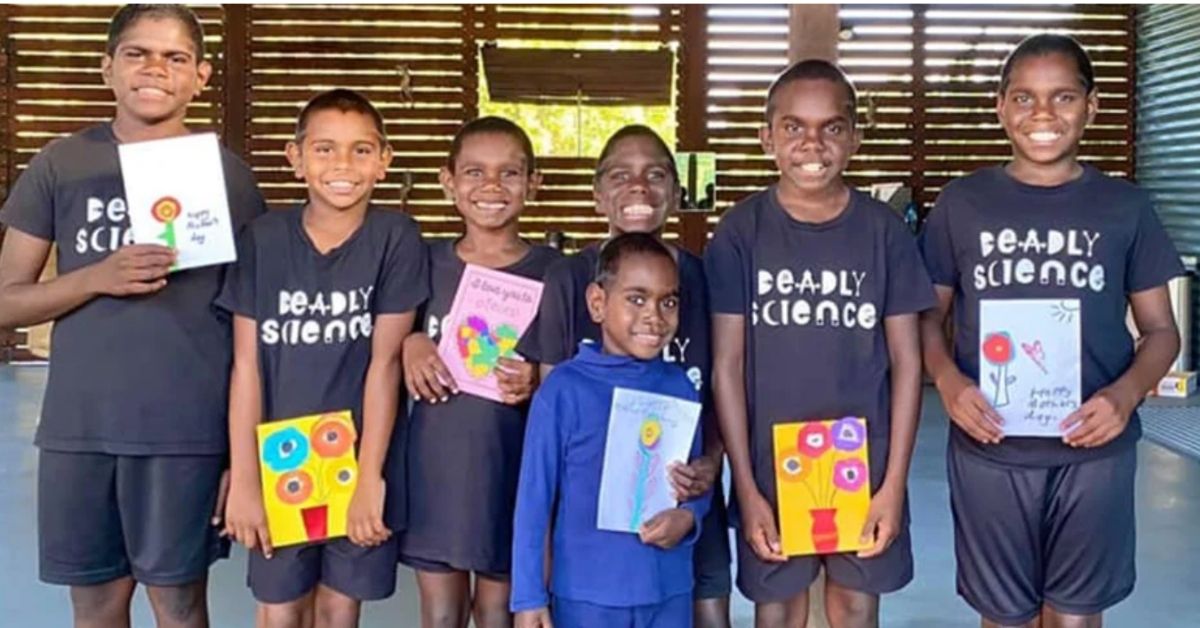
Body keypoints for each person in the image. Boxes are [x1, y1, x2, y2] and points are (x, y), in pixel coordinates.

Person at [0, 5, 265, 626]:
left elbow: (254, 326)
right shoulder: (61, 163)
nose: (155, 69)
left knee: (178, 601)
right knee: (94, 603)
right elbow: (6, 298)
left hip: (185, 433)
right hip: (80, 429)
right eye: (137, 53)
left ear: (201, 75)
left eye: (175, 58)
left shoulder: (228, 178)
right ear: (108, 68)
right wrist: (97, 276)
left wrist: (239, 453)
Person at [918, 34, 1184, 628]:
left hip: (1094, 454)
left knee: (1074, 616)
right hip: (991, 450)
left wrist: (1124, 394)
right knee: (1005, 615)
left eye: (1063, 97)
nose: (1043, 114)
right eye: (1024, 97)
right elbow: (925, 320)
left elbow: (1162, 331)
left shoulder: (1125, 206)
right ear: (1000, 106)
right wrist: (949, 381)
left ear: (1091, 107)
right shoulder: (962, 204)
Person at [704, 59, 935, 627]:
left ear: (853, 137)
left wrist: (892, 486)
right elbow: (727, 367)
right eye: (793, 127)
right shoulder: (741, 232)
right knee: (778, 609)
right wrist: (748, 489)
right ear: (767, 138)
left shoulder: (884, 232)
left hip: (866, 459)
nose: (813, 143)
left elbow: (908, 365)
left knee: (855, 607)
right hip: (769, 462)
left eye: (831, 127)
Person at [218, 88, 428, 627]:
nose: (342, 165)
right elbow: (246, 366)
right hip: (280, 458)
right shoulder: (263, 240)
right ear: (296, 158)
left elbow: (384, 366)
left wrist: (368, 479)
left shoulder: (395, 238)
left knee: (339, 609)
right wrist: (244, 477)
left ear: (384, 161)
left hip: (357, 455)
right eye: (325, 149)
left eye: (361, 150)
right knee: (280, 609)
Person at [522, 124, 733, 627]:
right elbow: (541, 481)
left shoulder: (683, 371)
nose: (653, 316)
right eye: (621, 175)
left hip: (669, 566)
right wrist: (531, 592)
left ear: (677, 193)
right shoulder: (568, 293)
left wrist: (706, 478)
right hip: (591, 569)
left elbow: (724, 383)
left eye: (655, 175)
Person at [399, 116, 560, 628]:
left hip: (511, 468)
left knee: (498, 612)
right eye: (474, 172)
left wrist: (537, 379)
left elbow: (571, 372)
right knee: (441, 614)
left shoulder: (557, 272)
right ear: (448, 181)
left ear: (533, 184)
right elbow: (387, 336)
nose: (491, 187)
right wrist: (411, 341)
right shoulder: (422, 263)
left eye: (509, 174)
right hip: (435, 469)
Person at [511, 232, 710, 628]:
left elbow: (693, 483)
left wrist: (689, 517)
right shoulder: (564, 390)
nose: (654, 315)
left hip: (668, 589)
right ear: (598, 303)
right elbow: (534, 499)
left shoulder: (680, 386)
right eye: (636, 299)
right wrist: (528, 598)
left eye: (667, 301)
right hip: (588, 596)